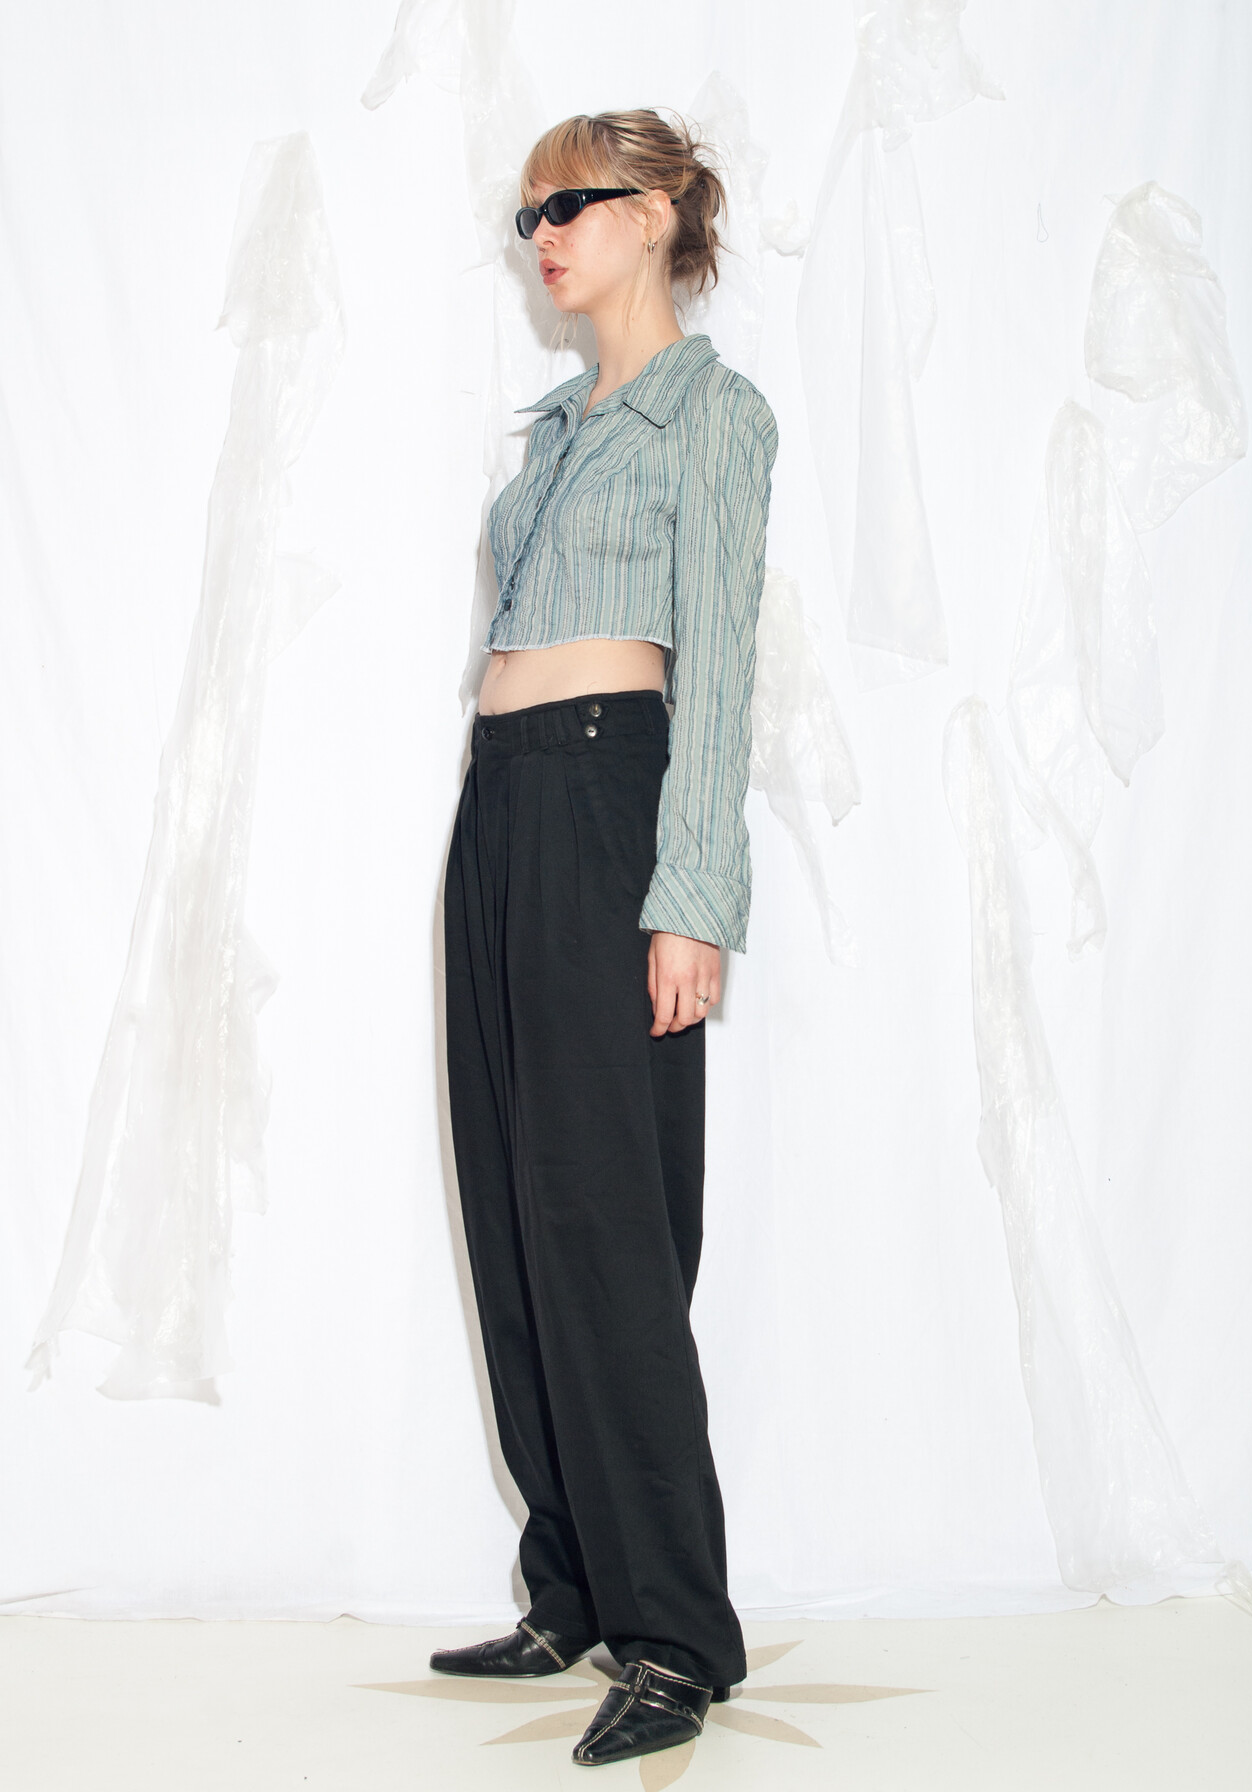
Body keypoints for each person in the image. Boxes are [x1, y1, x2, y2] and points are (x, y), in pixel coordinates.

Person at [433, 108, 778, 1769]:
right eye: (529, 215)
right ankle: (570, 1583)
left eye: (572, 203)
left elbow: (720, 666)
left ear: (655, 213)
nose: (546, 234)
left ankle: (676, 1635)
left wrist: (690, 897)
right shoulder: (554, 431)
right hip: (500, 804)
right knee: (513, 1211)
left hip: (603, 800)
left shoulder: (711, 415)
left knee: (605, 1227)